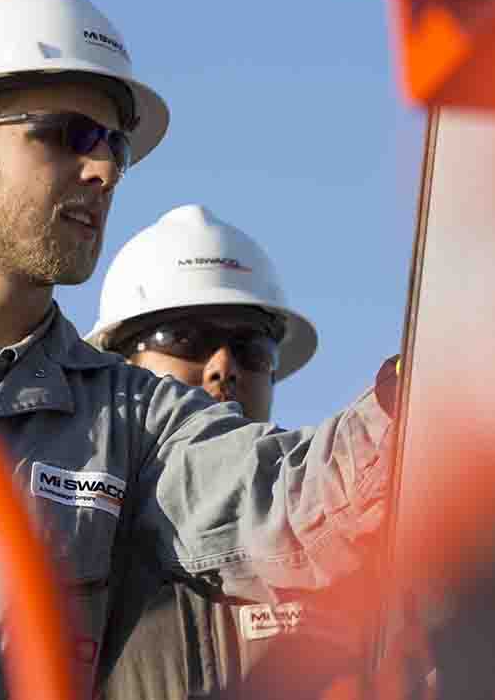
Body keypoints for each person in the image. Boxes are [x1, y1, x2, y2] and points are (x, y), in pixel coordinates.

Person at [0, 0, 394, 699]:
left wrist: (429, 380)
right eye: (70, 134)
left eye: (116, 145)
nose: (104, 169)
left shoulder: (132, 423)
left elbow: (292, 502)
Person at [88, 205, 386, 699]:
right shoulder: (76, 533)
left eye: (250, 348)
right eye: (184, 338)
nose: (223, 366)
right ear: (119, 365)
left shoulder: (351, 536)